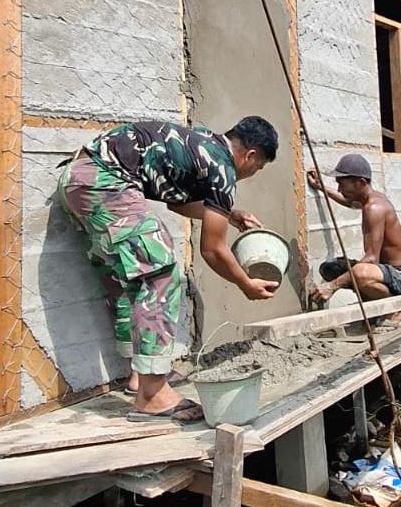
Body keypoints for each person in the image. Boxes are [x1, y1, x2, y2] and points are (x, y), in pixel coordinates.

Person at [57, 116, 280, 422]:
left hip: (79, 179)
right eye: (258, 167)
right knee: (160, 274)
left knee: (130, 276)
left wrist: (228, 214)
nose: (253, 173)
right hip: (108, 182)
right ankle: (152, 395)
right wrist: (246, 284)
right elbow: (213, 249)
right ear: (250, 155)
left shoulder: (202, 142)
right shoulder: (222, 167)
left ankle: (141, 376)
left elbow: (178, 204)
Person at [306, 154, 401, 304]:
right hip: (385, 272)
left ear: (360, 182)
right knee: (331, 269)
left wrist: (332, 287)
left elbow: (371, 259)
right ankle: (372, 302)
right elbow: (348, 202)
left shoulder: (374, 208)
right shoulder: (368, 201)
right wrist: (320, 186)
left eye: (342, 184)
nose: (339, 188)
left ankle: (393, 309)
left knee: (361, 272)